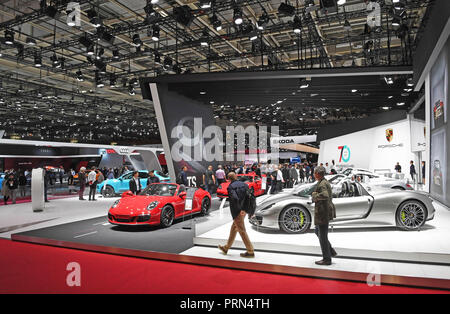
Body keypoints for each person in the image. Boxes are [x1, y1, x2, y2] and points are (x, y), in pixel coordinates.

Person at [218, 172, 255, 258]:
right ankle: (226, 248)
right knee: (234, 228)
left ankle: (250, 251)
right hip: (244, 210)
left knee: (242, 231)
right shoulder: (244, 184)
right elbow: (249, 197)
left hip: (237, 211)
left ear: (229, 179)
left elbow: (234, 198)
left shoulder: (231, 187)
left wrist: (240, 209)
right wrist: (245, 209)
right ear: (236, 177)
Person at [312, 166, 337, 266]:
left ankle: (327, 259)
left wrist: (315, 196)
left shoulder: (322, 184)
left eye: (315, 173)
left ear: (318, 174)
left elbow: (325, 195)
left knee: (322, 235)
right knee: (318, 232)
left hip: (323, 212)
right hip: (324, 211)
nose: (314, 174)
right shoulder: (324, 181)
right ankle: (330, 251)